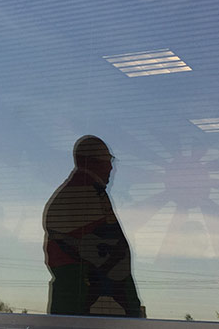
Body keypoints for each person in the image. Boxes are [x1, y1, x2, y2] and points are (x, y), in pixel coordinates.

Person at [43, 135, 143, 318]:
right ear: (92, 162)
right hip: (89, 302)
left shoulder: (90, 193)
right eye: (107, 161)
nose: (111, 167)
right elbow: (103, 251)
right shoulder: (80, 196)